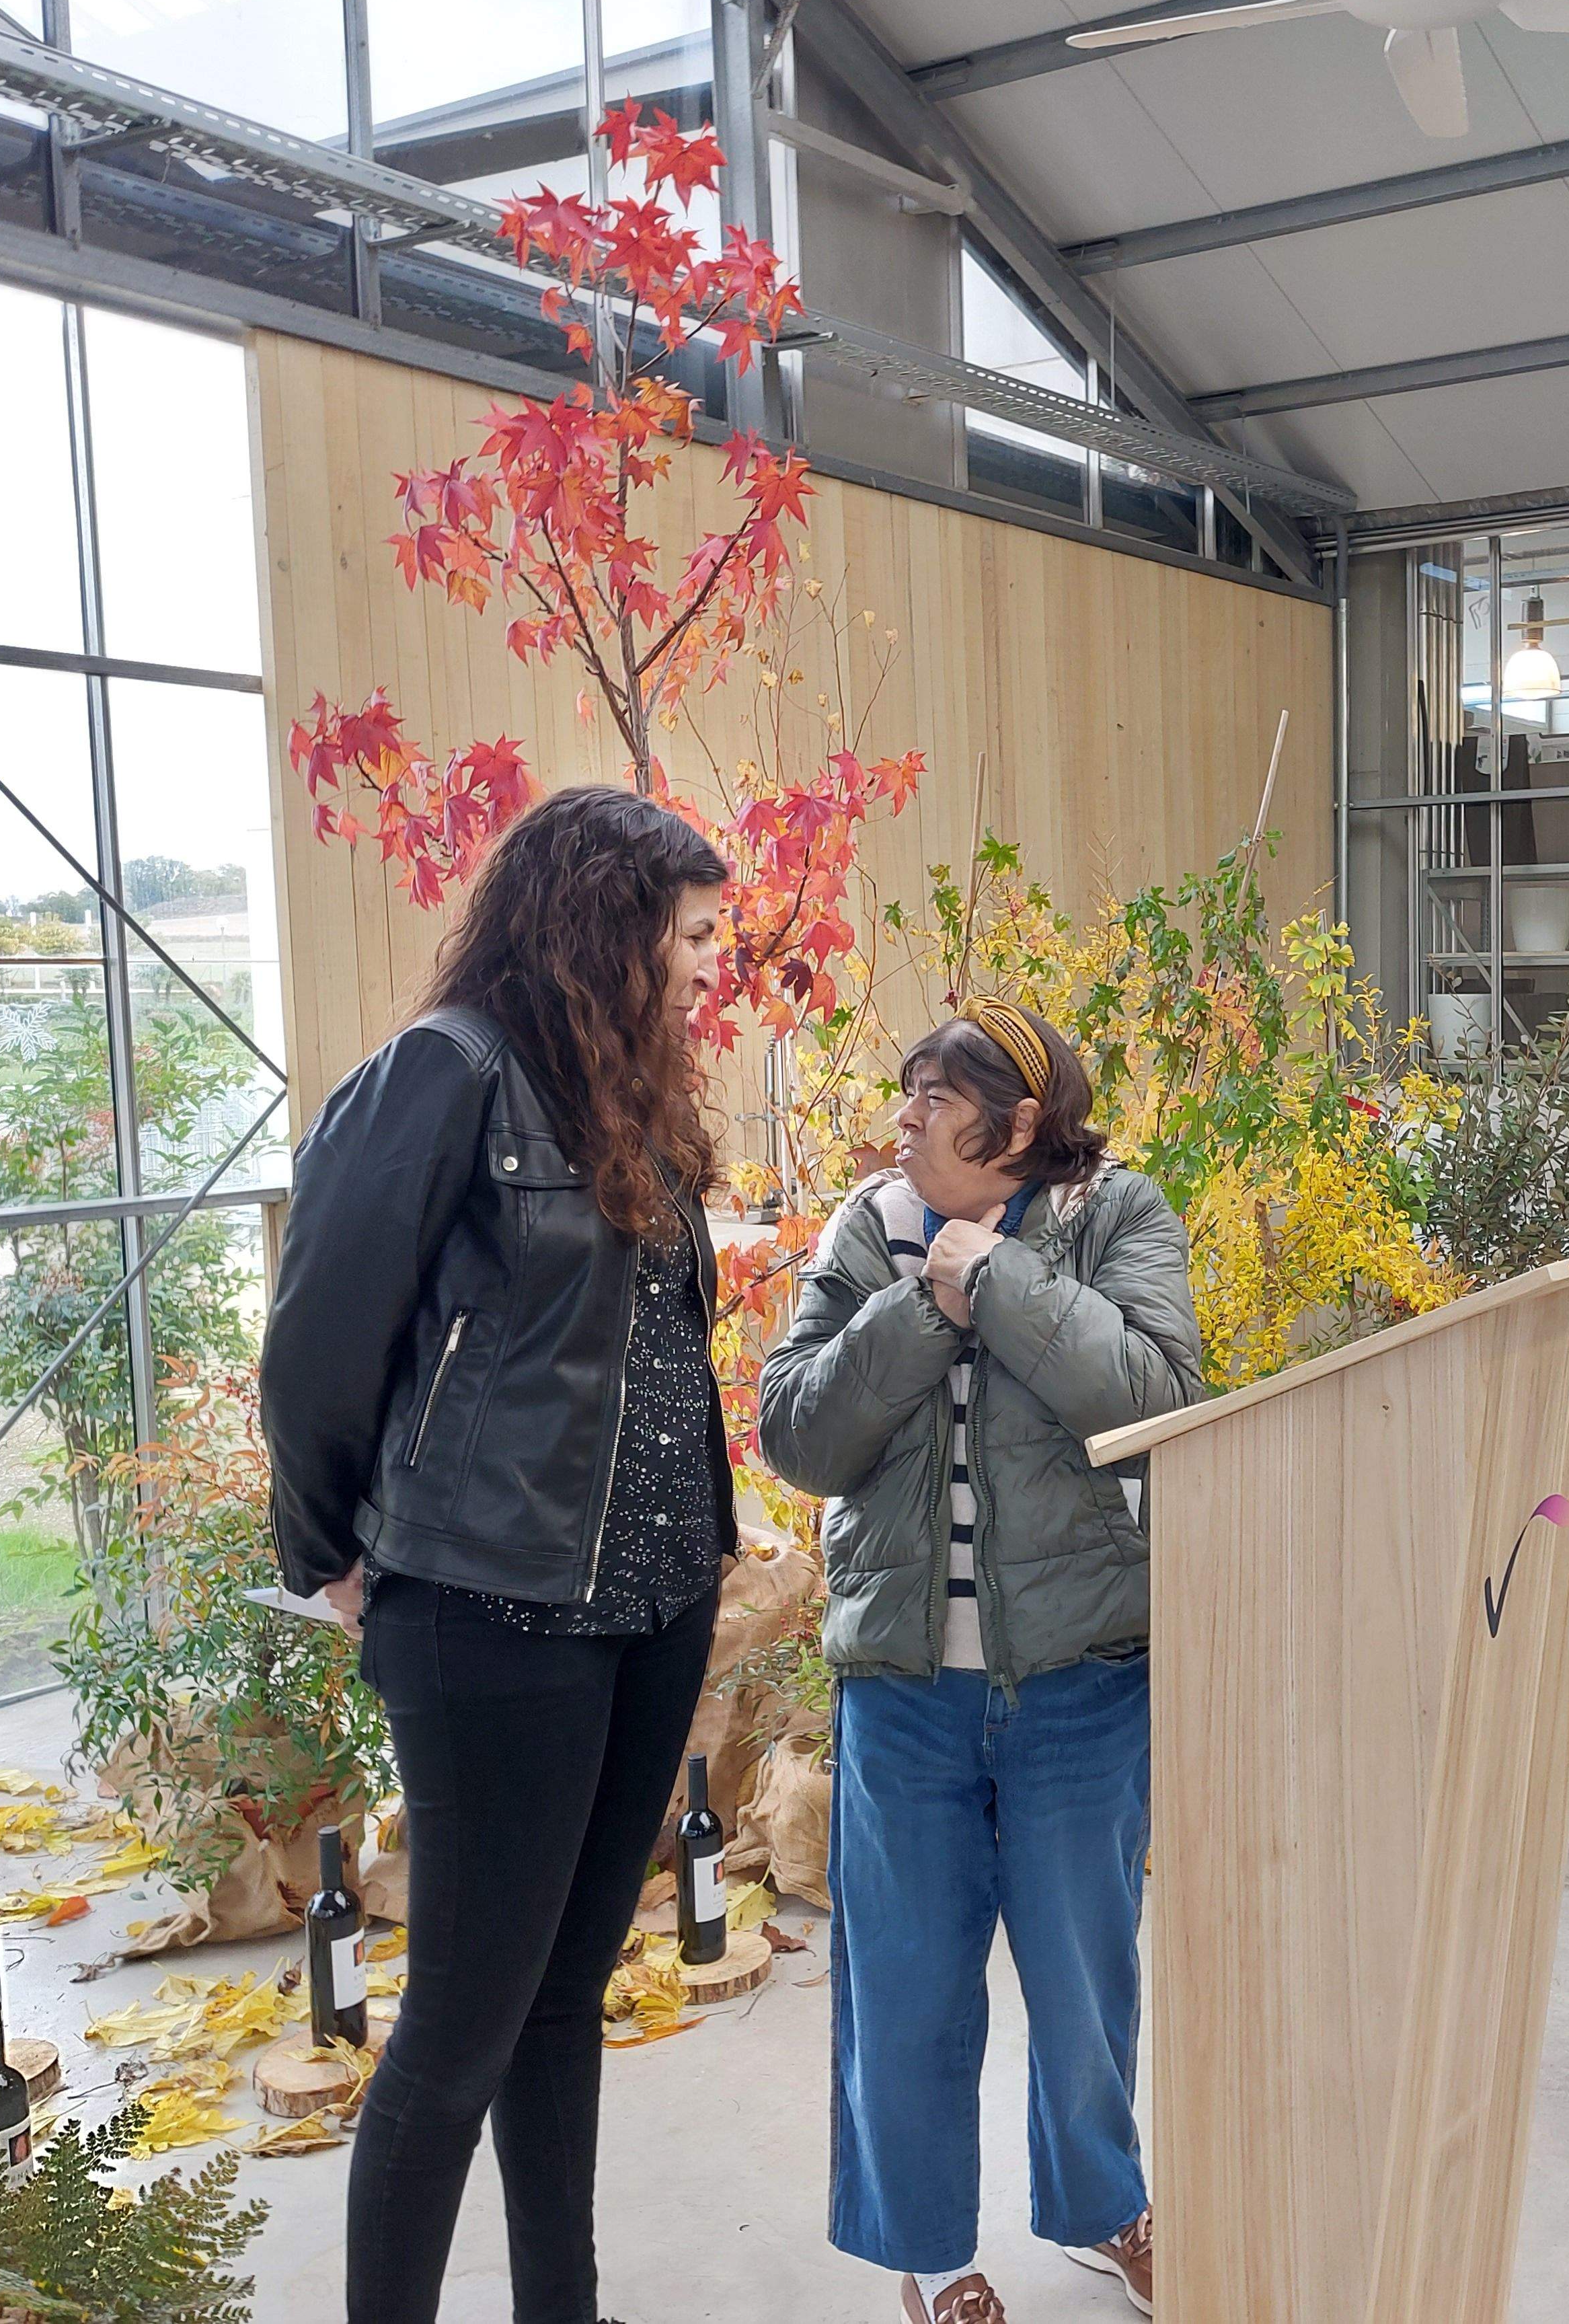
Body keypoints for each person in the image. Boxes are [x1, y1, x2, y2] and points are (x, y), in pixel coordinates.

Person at [264, 785, 743, 2324]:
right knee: (460, 2028)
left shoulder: (631, 1093)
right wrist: (328, 1551)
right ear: (606, 926)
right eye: (690, 936)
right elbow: (317, 1344)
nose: (708, 966)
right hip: (491, 1608)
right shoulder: (446, 1072)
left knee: (561, 1997)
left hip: (651, 1604)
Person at [756, 998, 1205, 2324]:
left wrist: (997, 1280)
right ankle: (931, 2253)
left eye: (934, 1098)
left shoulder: (1116, 1217)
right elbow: (797, 1437)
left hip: (1081, 1678)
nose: (902, 1120)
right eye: (905, 1092)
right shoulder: (866, 1228)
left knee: (1084, 1982)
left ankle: (1103, 2206)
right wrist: (919, 1303)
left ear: (1017, 1124)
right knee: (904, 1987)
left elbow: (1159, 1399)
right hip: (904, 1691)